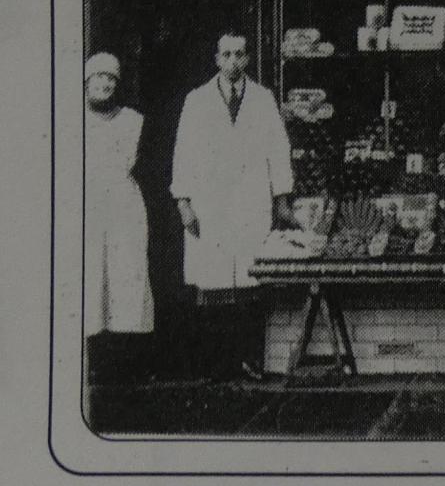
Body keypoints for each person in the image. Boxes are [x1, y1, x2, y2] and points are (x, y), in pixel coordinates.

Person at [171, 30, 294, 379]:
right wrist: (184, 203)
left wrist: (281, 200)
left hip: (251, 203)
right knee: (213, 286)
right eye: (226, 55)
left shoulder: (263, 99)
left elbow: (278, 151)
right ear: (216, 59)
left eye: (239, 54)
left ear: (248, 58)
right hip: (211, 204)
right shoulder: (196, 101)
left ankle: (250, 361)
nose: (233, 62)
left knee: (250, 287)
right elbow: (183, 153)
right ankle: (216, 364)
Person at [84, 53, 154, 382]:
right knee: (91, 278)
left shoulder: (132, 120)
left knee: (125, 278)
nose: (104, 83)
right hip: (87, 208)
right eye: (98, 76)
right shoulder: (72, 120)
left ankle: (126, 365)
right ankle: (93, 362)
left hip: (123, 209)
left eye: (110, 77)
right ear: (87, 80)